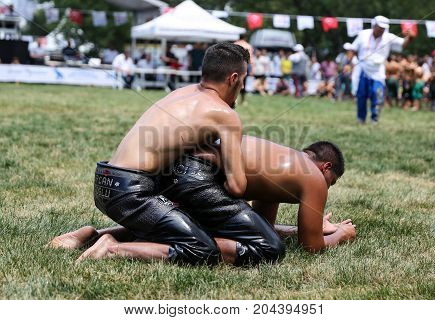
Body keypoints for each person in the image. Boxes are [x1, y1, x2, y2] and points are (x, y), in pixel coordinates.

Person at [57, 43, 288, 267]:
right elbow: (237, 187)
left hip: (107, 181)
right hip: (133, 191)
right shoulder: (223, 113)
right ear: (233, 78)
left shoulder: (181, 93)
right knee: (200, 248)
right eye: (244, 79)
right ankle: (111, 248)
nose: (243, 88)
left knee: (186, 223)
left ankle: (89, 236)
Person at [51, 137, 356, 262]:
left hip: (183, 167)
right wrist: (341, 233)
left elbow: (259, 225)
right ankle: (115, 248)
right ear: (326, 167)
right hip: (197, 174)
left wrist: (313, 226)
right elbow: (311, 247)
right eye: (332, 181)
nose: (326, 188)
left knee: (199, 228)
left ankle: (94, 235)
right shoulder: (315, 178)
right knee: (266, 251)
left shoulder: (278, 163)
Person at [351, 16, 412, 124]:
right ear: (374, 25)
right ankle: (360, 119)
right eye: (379, 27)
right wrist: (354, 62)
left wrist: (409, 37)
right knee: (361, 95)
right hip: (363, 69)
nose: (381, 30)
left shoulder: (388, 37)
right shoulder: (363, 34)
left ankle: (374, 119)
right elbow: (353, 49)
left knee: (377, 94)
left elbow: (403, 45)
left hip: (378, 71)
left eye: (383, 28)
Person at [235, 34, 254, 106]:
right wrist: (252, 68)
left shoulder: (234, 44)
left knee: (234, 83)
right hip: (244, 65)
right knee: (243, 84)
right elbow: (250, 58)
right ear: (245, 37)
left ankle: (234, 100)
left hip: (235, 65)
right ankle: (243, 101)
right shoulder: (248, 46)